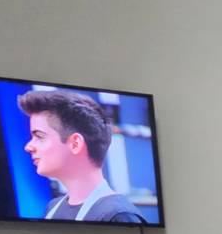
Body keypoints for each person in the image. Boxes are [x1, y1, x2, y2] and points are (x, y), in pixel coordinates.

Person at [18, 90, 144, 223]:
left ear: (75, 143)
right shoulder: (52, 208)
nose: (28, 147)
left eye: (39, 136)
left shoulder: (118, 215)